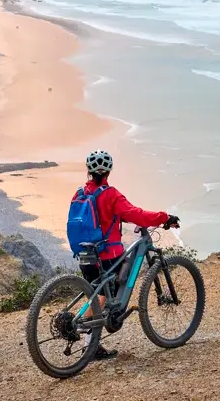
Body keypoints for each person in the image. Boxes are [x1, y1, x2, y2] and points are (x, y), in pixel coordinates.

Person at [74, 149, 180, 360]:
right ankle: (81, 329)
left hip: (85, 253)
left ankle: (90, 344)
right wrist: (164, 217)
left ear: (88, 171)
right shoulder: (110, 194)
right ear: (108, 172)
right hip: (107, 254)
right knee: (106, 294)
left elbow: (102, 217)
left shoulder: (80, 194)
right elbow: (134, 213)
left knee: (98, 295)